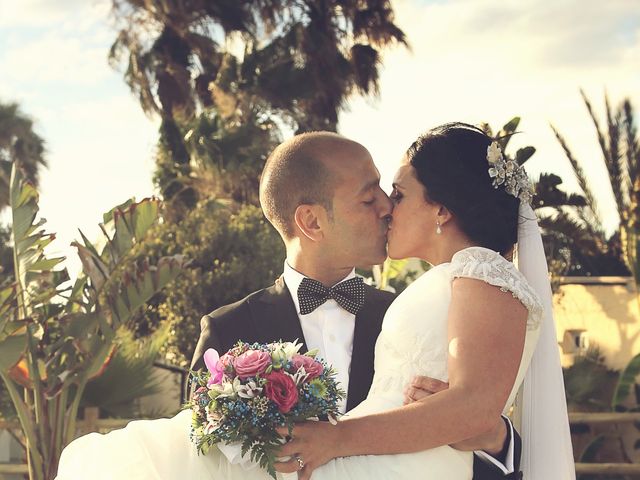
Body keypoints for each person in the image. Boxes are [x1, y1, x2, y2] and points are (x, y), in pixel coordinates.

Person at [55, 126, 572, 480]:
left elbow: (475, 410)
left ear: (440, 208)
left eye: (394, 194)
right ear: (312, 221)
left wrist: (492, 435)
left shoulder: (428, 298)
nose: (388, 208)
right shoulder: (230, 329)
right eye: (371, 198)